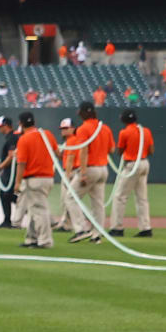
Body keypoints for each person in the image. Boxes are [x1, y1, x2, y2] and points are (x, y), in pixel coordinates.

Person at [67, 103, 112, 243]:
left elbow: (84, 150)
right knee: (98, 203)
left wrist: (83, 172)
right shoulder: (105, 128)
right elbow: (111, 149)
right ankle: (97, 234)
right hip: (103, 168)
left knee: (70, 197)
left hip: (90, 168)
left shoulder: (83, 128)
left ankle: (81, 229)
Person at [12, 112, 56, 249]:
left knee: (39, 210)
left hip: (34, 179)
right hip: (48, 178)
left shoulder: (24, 139)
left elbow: (22, 163)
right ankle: (31, 238)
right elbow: (57, 152)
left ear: (20, 123)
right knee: (33, 209)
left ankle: (45, 241)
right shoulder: (47, 134)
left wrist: (17, 182)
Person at [109, 109, 153, 238]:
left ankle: (117, 227)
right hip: (144, 162)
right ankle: (146, 228)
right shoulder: (145, 131)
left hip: (132, 164)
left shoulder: (124, 132)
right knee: (142, 198)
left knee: (120, 196)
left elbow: (120, 150)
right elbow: (151, 149)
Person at [0, 116, 19, 228]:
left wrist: (0, 166)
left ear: (6, 126)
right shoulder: (11, 137)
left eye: (0, 127)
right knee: (7, 195)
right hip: (9, 171)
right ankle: (8, 220)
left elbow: (11, 156)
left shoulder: (11, 138)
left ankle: (8, 221)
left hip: (11, 172)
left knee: (6, 195)